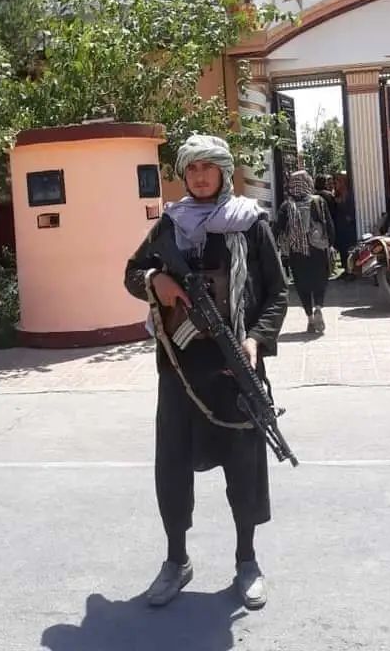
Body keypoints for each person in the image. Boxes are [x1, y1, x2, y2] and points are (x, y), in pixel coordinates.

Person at [124, 134, 287, 611]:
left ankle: (246, 560)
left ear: (224, 172)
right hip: (180, 367)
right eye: (191, 169)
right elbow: (132, 273)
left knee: (244, 465)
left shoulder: (250, 222)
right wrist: (156, 279)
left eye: (207, 168)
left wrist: (255, 339)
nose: (199, 177)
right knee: (173, 465)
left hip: (236, 365)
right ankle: (176, 560)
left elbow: (277, 292)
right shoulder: (169, 225)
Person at [274, 170, 334, 334]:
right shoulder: (318, 201)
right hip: (318, 249)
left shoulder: (286, 205)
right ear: (308, 182)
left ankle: (310, 318)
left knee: (302, 285)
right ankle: (318, 307)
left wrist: (276, 249)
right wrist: (330, 244)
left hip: (297, 252)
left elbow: (277, 229)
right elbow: (329, 225)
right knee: (320, 281)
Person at [333, 172, 356, 275]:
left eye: (337, 181)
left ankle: (350, 271)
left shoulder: (349, 195)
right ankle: (345, 270)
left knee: (348, 249)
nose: (335, 184)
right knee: (342, 249)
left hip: (347, 227)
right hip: (340, 227)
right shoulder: (337, 194)